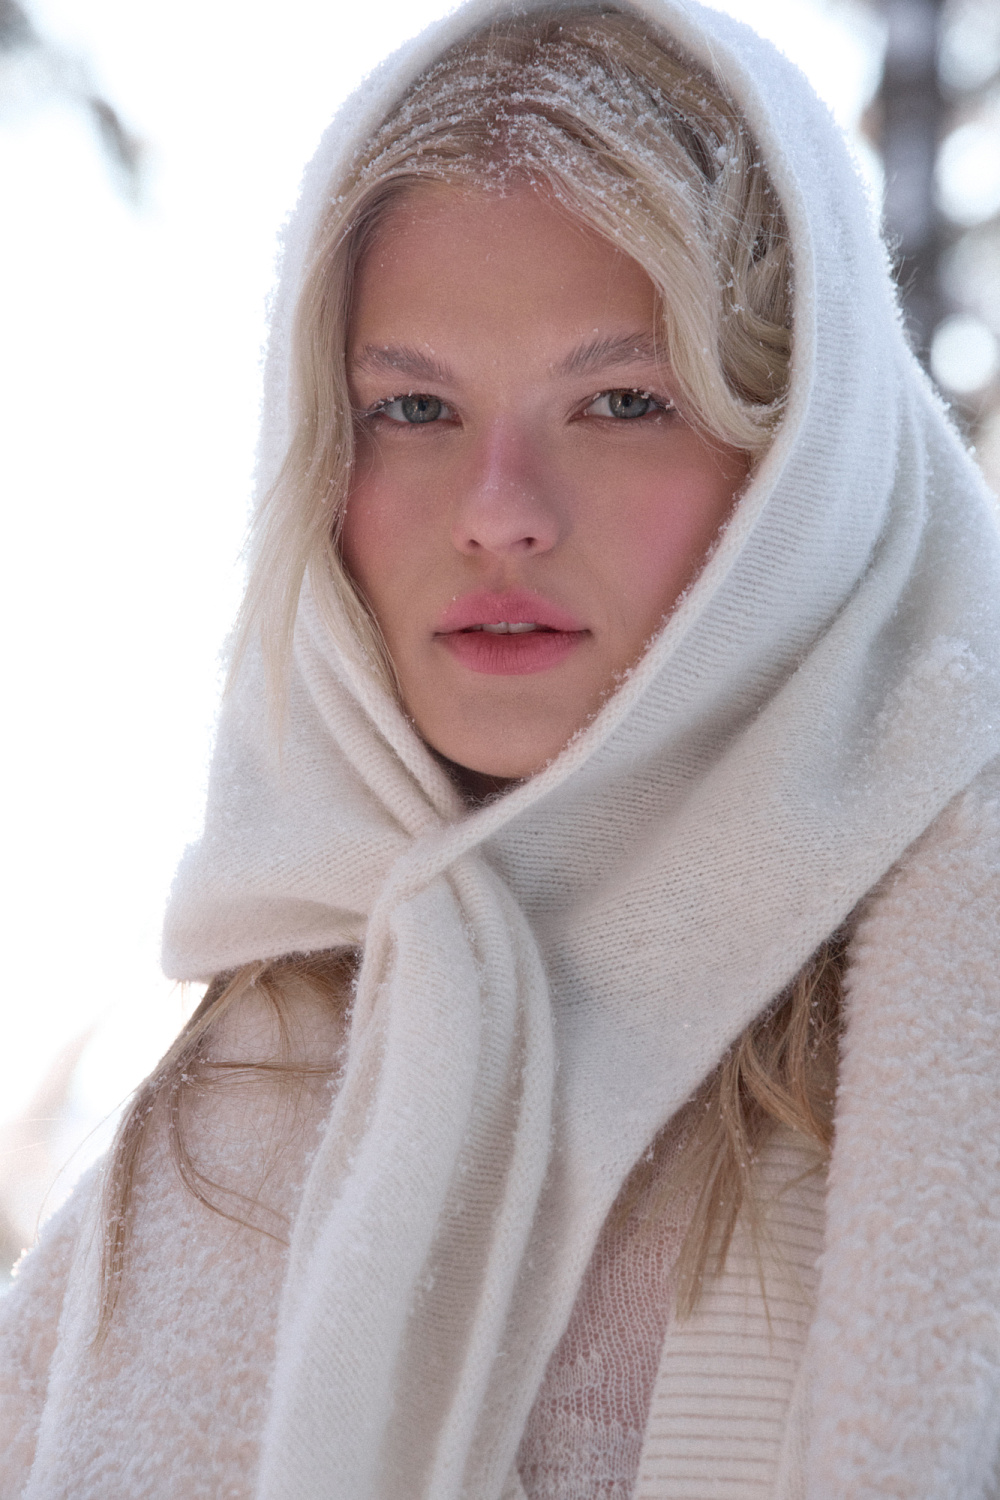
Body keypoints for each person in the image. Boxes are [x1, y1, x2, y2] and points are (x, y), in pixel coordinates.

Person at [3, 1, 1000, 1496]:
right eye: (413, 407)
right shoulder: (213, 1137)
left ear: (809, 453)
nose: (499, 512)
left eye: (622, 401)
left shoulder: (951, 1003)